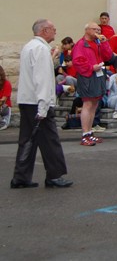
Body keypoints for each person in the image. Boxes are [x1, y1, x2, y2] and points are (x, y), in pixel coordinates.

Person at [11, 19, 73, 188]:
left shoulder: (29, 46)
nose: (55, 31)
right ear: (44, 30)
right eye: (53, 29)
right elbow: (43, 79)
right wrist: (44, 105)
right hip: (38, 102)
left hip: (27, 100)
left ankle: (21, 176)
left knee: (27, 140)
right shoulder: (41, 49)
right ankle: (54, 175)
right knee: (50, 140)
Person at [72, 22, 113, 147]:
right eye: (95, 29)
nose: (98, 32)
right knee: (88, 103)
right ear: (87, 30)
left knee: (95, 103)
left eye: (99, 30)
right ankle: (85, 134)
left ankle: (90, 132)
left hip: (98, 74)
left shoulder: (98, 43)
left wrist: (105, 42)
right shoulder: (81, 44)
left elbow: (108, 56)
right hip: (88, 75)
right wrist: (91, 67)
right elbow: (77, 62)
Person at [0, 65, 12, 130]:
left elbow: (3, 100)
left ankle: (3, 123)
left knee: (3, 104)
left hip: (4, 108)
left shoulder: (7, 84)